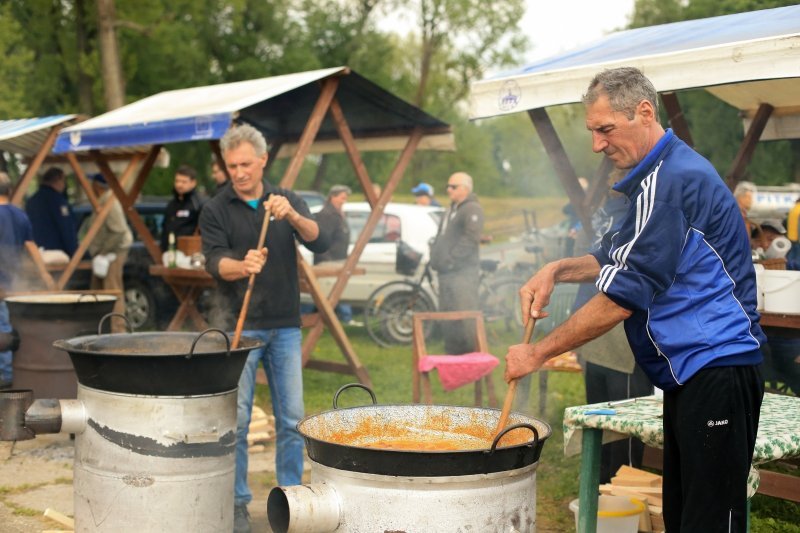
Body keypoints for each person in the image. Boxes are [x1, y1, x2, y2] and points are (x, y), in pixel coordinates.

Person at [505, 67, 764, 532]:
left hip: (719, 368)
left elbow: (621, 297)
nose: (597, 145)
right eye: (592, 131)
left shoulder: (671, 182)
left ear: (644, 112)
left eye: (605, 129)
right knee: (685, 516)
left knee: (709, 523)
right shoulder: (655, 179)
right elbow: (613, 257)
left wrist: (537, 352)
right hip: (692, 373)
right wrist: (557, 270)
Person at [199, 124, 328, 533]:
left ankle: (289, 500)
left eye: (245, 164)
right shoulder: (216, 208)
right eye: (231, 165)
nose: (238, 172)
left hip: (285, 325)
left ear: (262, 161)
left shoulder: (284, 200)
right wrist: (242, 267)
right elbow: (214, 261)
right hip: (242, 331)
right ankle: (238, 503)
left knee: (292, 419)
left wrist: (294, 216)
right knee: (235, 422)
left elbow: (319, 240)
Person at [430, 172, 484, 355]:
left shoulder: (472, 209)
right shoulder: (451, 209)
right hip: (447, 272)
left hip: (463, 272)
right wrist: (436, 257)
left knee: (465, 312)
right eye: (448, 186)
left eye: (453, 186)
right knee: (447, 313)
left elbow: (470, 239)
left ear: (465, 189)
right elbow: (441, 236)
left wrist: (451, 260)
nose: (448, 190)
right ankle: (452, 352)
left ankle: (471, 353)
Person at [751, 220, 800, 395]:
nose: (766, 243)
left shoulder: (793, 262)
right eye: (760, 239)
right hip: (763, 337)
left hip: (791, 341)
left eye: (772, 238)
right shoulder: (752, 263)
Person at [83, 174, 133, 333]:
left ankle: (118, 330)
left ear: (97, 186)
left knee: (112, 291)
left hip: (113, 253)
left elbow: (119, 231)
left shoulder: (110, 202)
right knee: (98, 291)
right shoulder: (103, 200)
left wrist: (103, 252)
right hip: (105, 253)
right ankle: (99, 329)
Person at [0, 172, 34, 388]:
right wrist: (47, 276)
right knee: (10, 324)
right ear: (9, 191)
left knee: (2, 327)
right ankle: (11, 371)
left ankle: (6, 375)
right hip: (15, 283)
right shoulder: (21, 215)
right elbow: (31, 247)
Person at [312, 184, 360, 326]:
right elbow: (323, 237)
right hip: (329, 260)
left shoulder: (338, 213)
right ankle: (344, 317)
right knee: (329, 291)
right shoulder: (327, 214)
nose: (344, 201)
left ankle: (340, 317)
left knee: (334, 290)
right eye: (342, 198)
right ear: (333, 196)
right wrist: (325, 259)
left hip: (338, 258)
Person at [25, 167, 78, 256]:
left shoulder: (31, 201)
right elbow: (67, 229)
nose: (64, 185)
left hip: (35, 253)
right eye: (63, 181)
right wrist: (74, 252)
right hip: (57, 253)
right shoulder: (58, 202)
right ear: (59, 180)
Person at [160, 164, 205, 251]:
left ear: (193, 183)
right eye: (177, 181)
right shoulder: (171, 204)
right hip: (169, 251)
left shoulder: (198, 204)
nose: (179, 185)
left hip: (190, 252)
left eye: (184, 182)